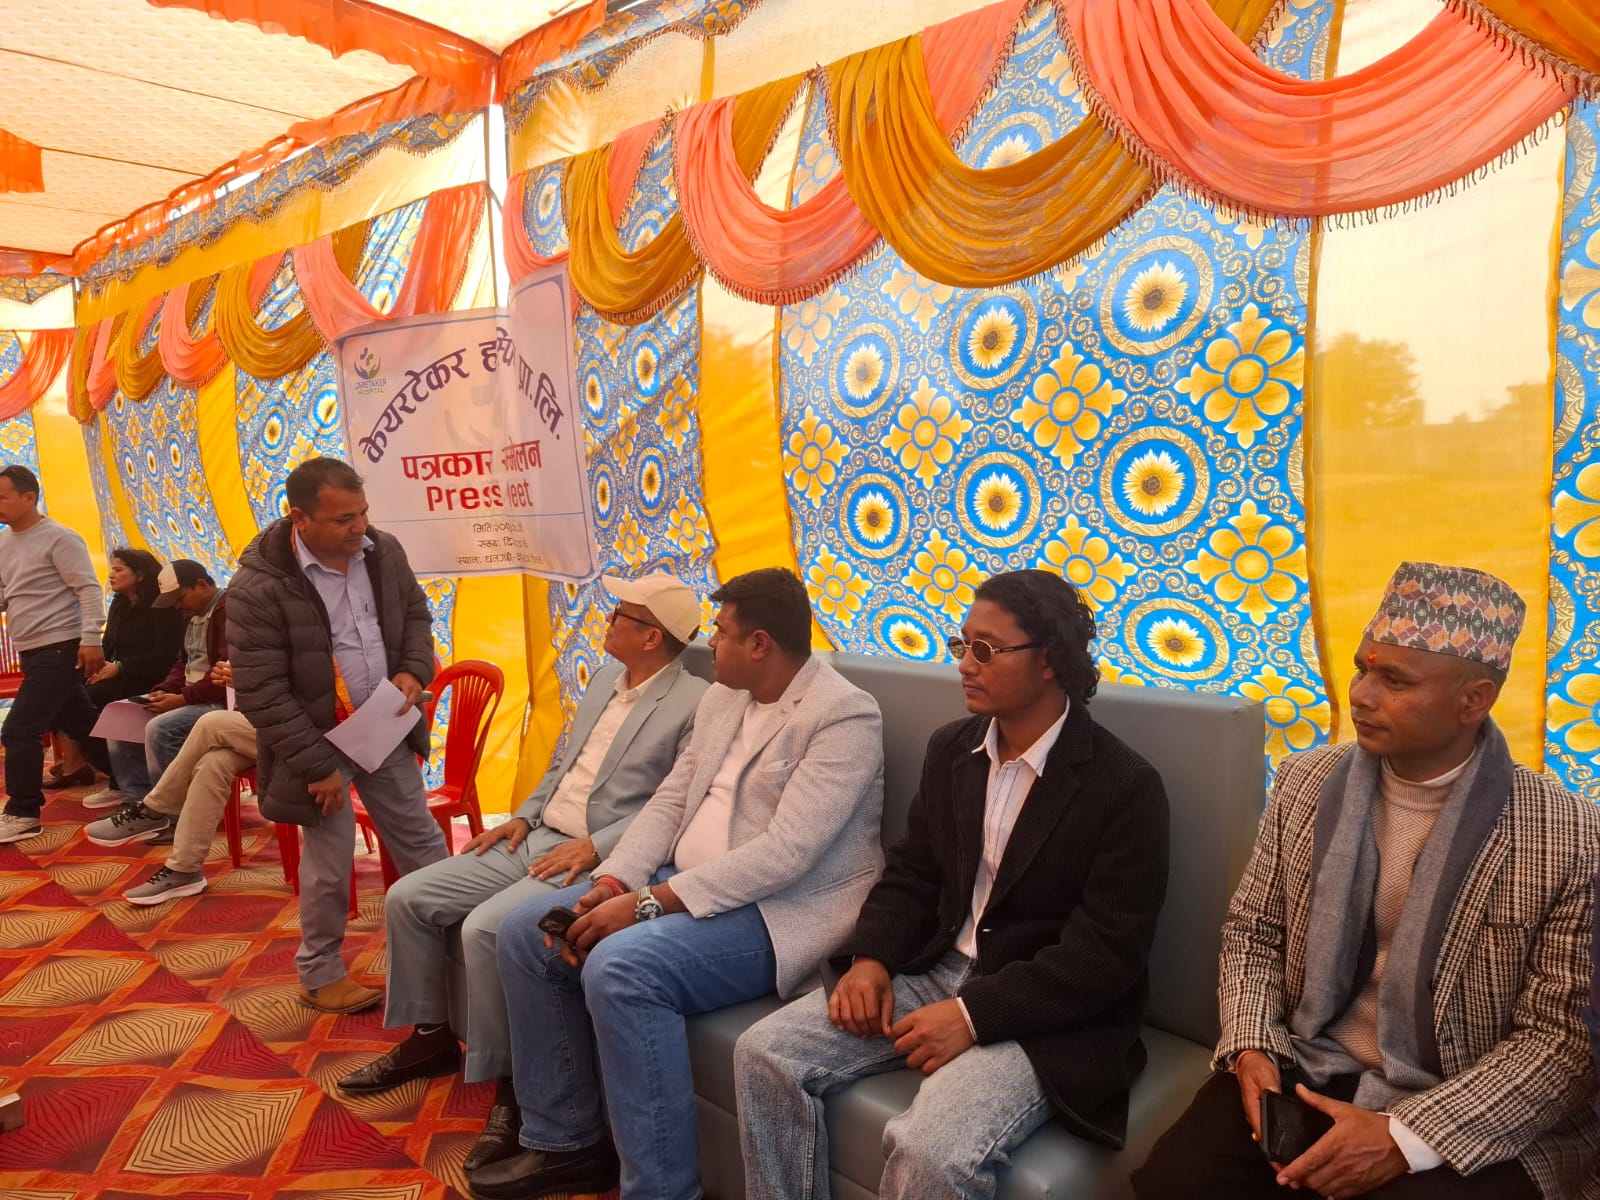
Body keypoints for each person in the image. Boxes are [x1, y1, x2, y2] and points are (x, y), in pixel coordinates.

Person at [1133, 562, 1600, 1200]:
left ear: (1474, 700)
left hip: (1466, 1100)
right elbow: (1253, 932)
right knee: (1174, 1181)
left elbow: (1562, 1041)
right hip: (1306, 1064)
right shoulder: (1305, 782)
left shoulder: (1567, 835)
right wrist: (1251, 1047)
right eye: (1361, 669)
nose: (1361, 694)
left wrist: (1405, 1137)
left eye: (1395, 680)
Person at [735, 569, 1170, 1200]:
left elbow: (1107, 952)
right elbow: (914, 870)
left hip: (1044, 1014)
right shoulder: (953, 749)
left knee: (929, 1148)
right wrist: (871, 957)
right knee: (764, 1052)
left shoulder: (1124, 786)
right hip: (934, 968)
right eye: (962, 644)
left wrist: (973, 1015)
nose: (964, 664)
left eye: (985, 649)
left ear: (1049, 660)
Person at [467, 567, 885, 1200]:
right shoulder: (723, 698)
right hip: (680, 883)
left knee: (622, 968)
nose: (708, 641)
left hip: (778, 911)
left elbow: (788, 854)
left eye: (721, 631)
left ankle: (661, 1191)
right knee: (526, 931)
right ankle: (566, 1143)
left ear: (760, 644)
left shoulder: (843, 715)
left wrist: (646, 905)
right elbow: (669, 801)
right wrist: (615, 881)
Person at [336, 571, 708, 1170]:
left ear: (652, 637)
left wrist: (595, 846)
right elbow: (563, 762)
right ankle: (430, 1037)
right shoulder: (606, 678)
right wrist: (523, 815)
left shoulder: (696, 702)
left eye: (621, 615)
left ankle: (513, 1088)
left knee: (486, 928)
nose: (608, 620)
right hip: (538, 833)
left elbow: (676, 801)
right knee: (408, 896)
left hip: (594, 850)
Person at [229, 456, 447, 1014]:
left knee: (422, 843)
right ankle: (320, 972)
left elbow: (416, 616)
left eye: (363, 513)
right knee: (330, 863)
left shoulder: (383, 551)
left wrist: (413, 670)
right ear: (299, 518)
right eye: (344, 519)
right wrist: (316, 764)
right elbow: (261, 691)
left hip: (383, 726)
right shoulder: (259, 586)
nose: (359, 528)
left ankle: (453, 952)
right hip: (317, 742)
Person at [0, 464, 106, 844]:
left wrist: (91, 638)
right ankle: (136, 780)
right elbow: (9, 591)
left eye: (2, 497)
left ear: (30, 497)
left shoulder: (60, 538)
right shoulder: (4, 542)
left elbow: (88, 589)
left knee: (19, 729)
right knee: (84, 723)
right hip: (31, 649)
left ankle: (23, 812)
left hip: (61, 646)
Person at [98, 662, 257, 904]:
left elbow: (305, 689)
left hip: (300, 729)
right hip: (258, 721)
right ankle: (185, 870)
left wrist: (253, 680)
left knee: (209, 723)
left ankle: (154, 809)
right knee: (212, 764)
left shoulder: (306, 640)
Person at [85, 558, 229, 823]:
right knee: (121, 714)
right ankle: (139, 801)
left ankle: (177, 814)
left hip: (220, 703)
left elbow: (224, 674)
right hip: (192, 697)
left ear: (201, 585)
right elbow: (182, 663)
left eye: (179, 598)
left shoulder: (228, 612)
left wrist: (182, 699)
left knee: (161, 728)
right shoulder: (192, 615)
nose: (177, 606)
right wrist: (162, 691)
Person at [46, 546, 182, 793]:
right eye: (111, 569)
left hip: (150, 678)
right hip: (118, 674)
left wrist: (120, 667)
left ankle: (111, 771)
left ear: (139, 575)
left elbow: (166, 657)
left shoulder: (162, 607)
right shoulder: (120, 603)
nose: (111, 575)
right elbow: (108, 644)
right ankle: (81, 764)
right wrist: (94, 668)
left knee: (82, 701)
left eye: (118, 569)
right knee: (63, 690)